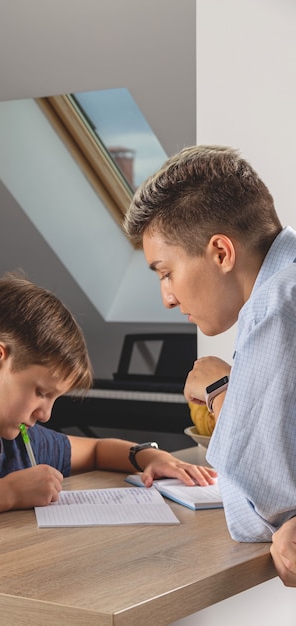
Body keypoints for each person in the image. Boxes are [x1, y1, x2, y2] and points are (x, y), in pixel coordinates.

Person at [0, 271, 216, 535]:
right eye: (41, 392)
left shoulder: (19, 442)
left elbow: (98, 451)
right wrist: (10, 492)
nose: (46, 413)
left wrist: (148, 455)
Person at [123, 144, 296, 585]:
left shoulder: (273, 309)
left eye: (165, 272)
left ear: (221, 252)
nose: (167, 297)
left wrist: (222, 388)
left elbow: (258, 514)